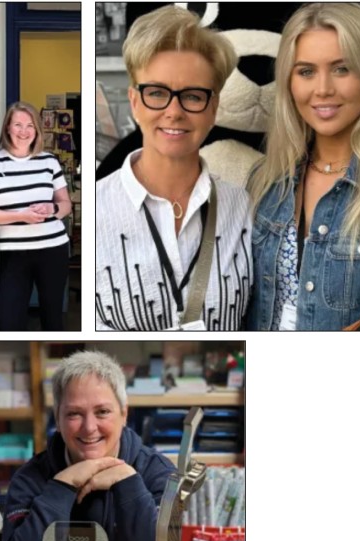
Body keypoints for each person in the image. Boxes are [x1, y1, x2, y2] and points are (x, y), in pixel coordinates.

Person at [246, 3, 360, 330]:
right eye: (306, 71)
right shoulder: (266, 181)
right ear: (289, 82)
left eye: (342, 69)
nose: (323, 88)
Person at [95, 5, 253, 331]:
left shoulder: (244, 208)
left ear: (213, 108)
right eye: (157, 93)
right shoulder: (98, 208)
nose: (174, 111)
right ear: (135, 102)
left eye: (193, 96)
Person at [0, 351, 174, 541]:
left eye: (102, 411)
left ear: (124, 414)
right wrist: (62, 486)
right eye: (74, 414)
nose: (89, 427)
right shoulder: (30, 478)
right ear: (58, 420)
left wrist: (128, 484)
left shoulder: (157, 473)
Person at [0, 101, 72, 331]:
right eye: (18, 125)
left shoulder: (49, 161)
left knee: (53, 319)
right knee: (11, 322)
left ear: (37, 130)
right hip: (14, 253)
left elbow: (66, 204)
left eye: (30, 125)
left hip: (53, 248)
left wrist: (53, 209)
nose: (24, 131)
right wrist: (21, 216)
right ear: (8, 128)